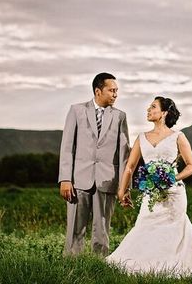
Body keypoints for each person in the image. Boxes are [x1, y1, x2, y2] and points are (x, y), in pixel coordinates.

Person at [106, 96, 192, 278]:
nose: (148, 109)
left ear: (164, 113)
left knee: (174, 231)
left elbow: (191, 165)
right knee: (145, 227)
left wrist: (172, 178)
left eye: (153, 107)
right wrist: (122, 191)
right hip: (150, 193)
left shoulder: (178, 136)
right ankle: (147, 266)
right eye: (148, 107)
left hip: (173, 195)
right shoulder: (141, 138)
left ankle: (173, 266)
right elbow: (130, 166)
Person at [58, 72, 130, 256]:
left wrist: (124, 186)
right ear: (98, 91)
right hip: (78, 179)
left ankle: (99, 265)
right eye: (111, 90)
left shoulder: (120, 116)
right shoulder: (76, 110)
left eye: (117, 91)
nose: (115, 94)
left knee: (102, 229)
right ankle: (72, 267)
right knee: (75, 227)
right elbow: (67, 147)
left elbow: (123, 153)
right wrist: (65, 178)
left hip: (107, 180)